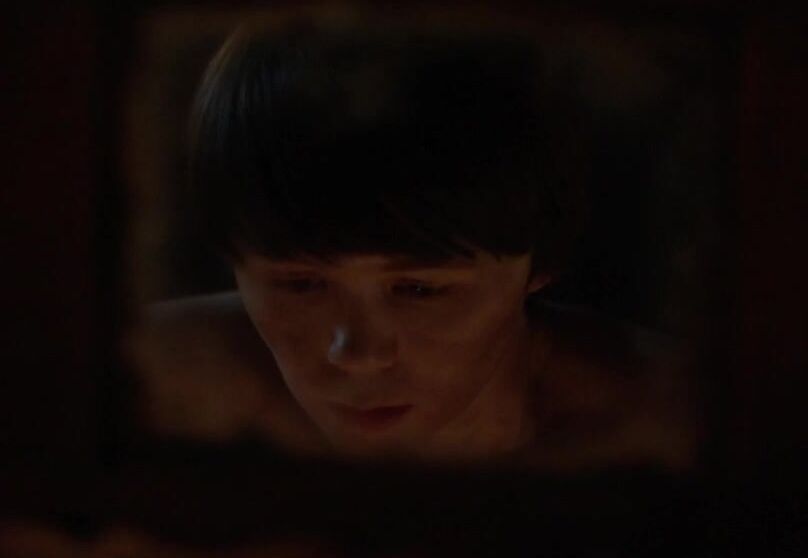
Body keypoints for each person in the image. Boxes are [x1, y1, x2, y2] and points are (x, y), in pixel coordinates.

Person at [129, 18, 696, 470]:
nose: (356, 353)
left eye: (420, 289)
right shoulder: (140, 393)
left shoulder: (668, 428)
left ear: (539, 264)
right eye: (299, 283)